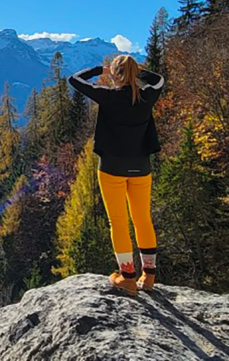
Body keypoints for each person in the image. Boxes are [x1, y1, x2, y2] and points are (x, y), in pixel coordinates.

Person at [68, 54, 164, 295]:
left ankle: (128, 277)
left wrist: (101, 70)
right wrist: (135, 72)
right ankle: (149, 277)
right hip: (141, 168)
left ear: (115, 74)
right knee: (142, 218)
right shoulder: (147, 96)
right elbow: (159, 79)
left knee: (118, 222)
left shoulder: (108, 96)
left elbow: (74, 79)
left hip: (111, 168)